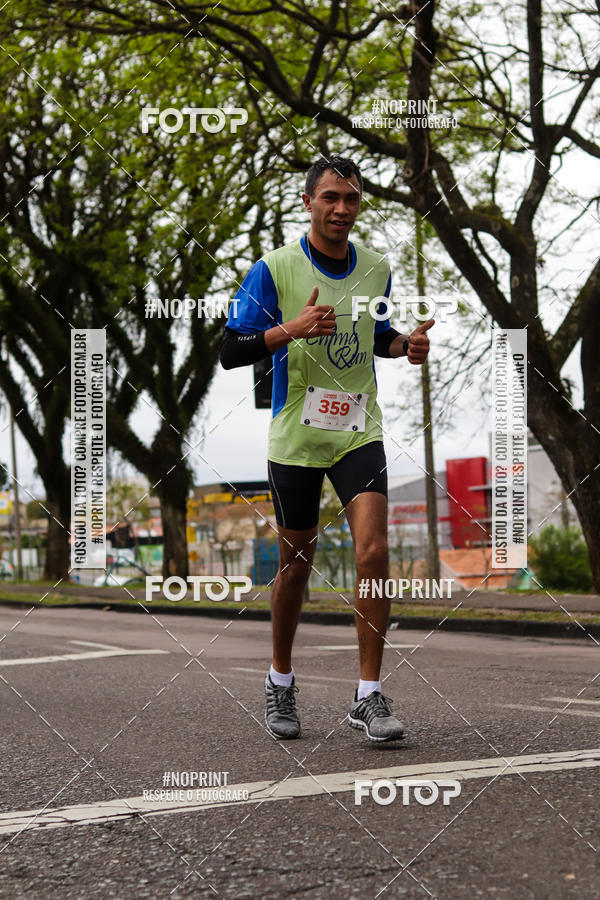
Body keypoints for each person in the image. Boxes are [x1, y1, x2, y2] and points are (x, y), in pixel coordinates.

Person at [220, 156, 433, 742]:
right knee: (295, 566)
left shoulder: (376, 270)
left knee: (373, 551)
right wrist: (291, 328)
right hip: (296, 437)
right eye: (331, 198)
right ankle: (280, 680)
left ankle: (368, 695)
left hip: (358, 430)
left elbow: (379, 336)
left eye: (352, 199)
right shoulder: (274, 269)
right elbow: (231, 348)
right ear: (309, 203)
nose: (342, 209)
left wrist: (405, 348)